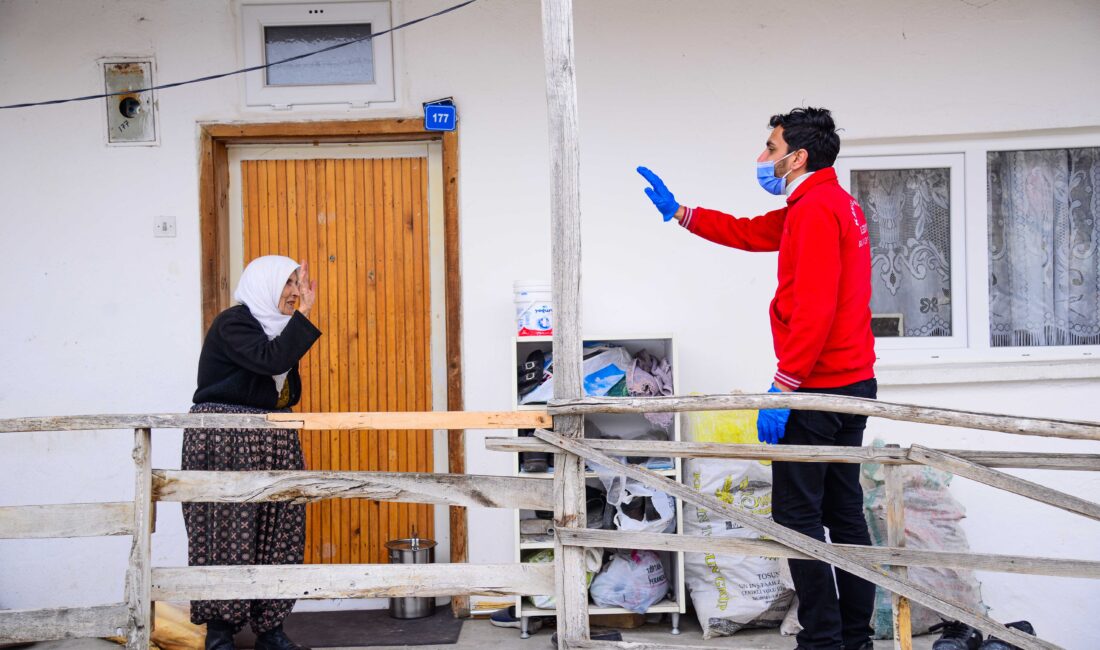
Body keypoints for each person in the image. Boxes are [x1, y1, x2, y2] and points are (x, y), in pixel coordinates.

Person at [638, 107, 877, 650]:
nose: (762, 158)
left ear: (798, 157)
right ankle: (855, 638)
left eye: (770, 149)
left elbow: (814, 310)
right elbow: (750, 233)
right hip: (854, 384)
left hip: (821, 388)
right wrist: (682, 213)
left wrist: (785, 387)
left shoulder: (816, 210)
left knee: (796, 516)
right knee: (844, 514)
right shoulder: (826, 201)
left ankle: (824, 640)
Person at [183, 255, 321, 650]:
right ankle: (219, 632)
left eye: (298, 283)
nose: (296, 292)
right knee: (223, 530)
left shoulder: (276, 328)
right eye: (288, 283)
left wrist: (297, 322)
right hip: (225, 437)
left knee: (281, 527)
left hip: (272, 434)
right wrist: (304, 318)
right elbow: (270, 360)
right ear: (264, 283)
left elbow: (278, 381)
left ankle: (270, 628)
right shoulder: (234, 323)